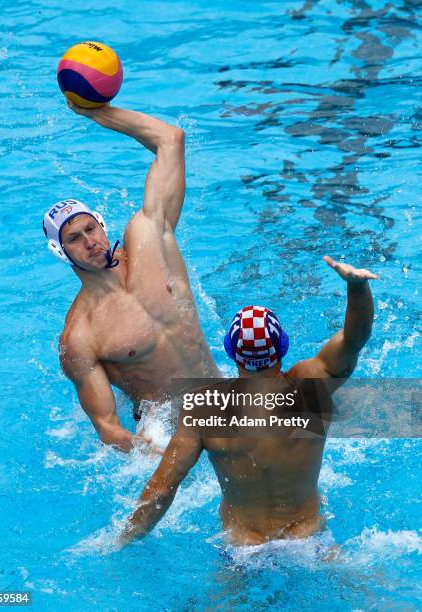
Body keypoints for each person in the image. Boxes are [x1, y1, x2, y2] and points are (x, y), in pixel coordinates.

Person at [118, 255, 378, 546]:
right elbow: (355, 339)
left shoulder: (204, 407)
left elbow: (162, 488)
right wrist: (357, 288)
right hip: (307, 541)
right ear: (282, 347)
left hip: (243, 548)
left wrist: (121, 540)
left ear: (231, 352)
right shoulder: (310, 385)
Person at [43, 102, 219, 453]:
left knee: (350, 414)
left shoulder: (148, 239)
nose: (89, 241)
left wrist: (95, 112)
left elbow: (170, 139)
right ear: (61, 252)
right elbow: (108, 429)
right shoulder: (81, 335)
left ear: (102, 225)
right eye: (74, 239)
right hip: (175, 433)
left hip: (223, 399)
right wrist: (158, 455)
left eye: (90, 229)